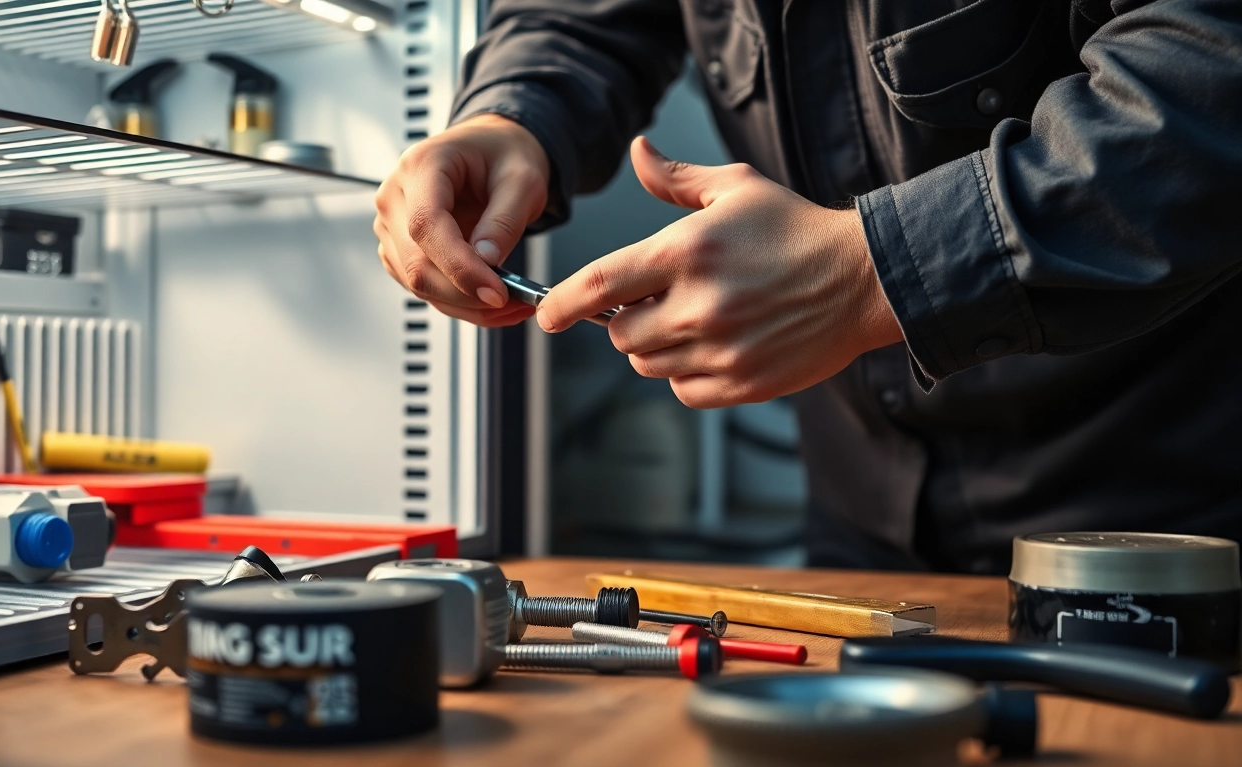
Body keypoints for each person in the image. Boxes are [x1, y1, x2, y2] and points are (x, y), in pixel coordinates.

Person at [373, 0, 1242, 573]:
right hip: (859, 516)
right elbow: (585, 18)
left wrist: (874, 270)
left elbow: (1206, 80)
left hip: (1171, 513)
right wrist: (514, 113)